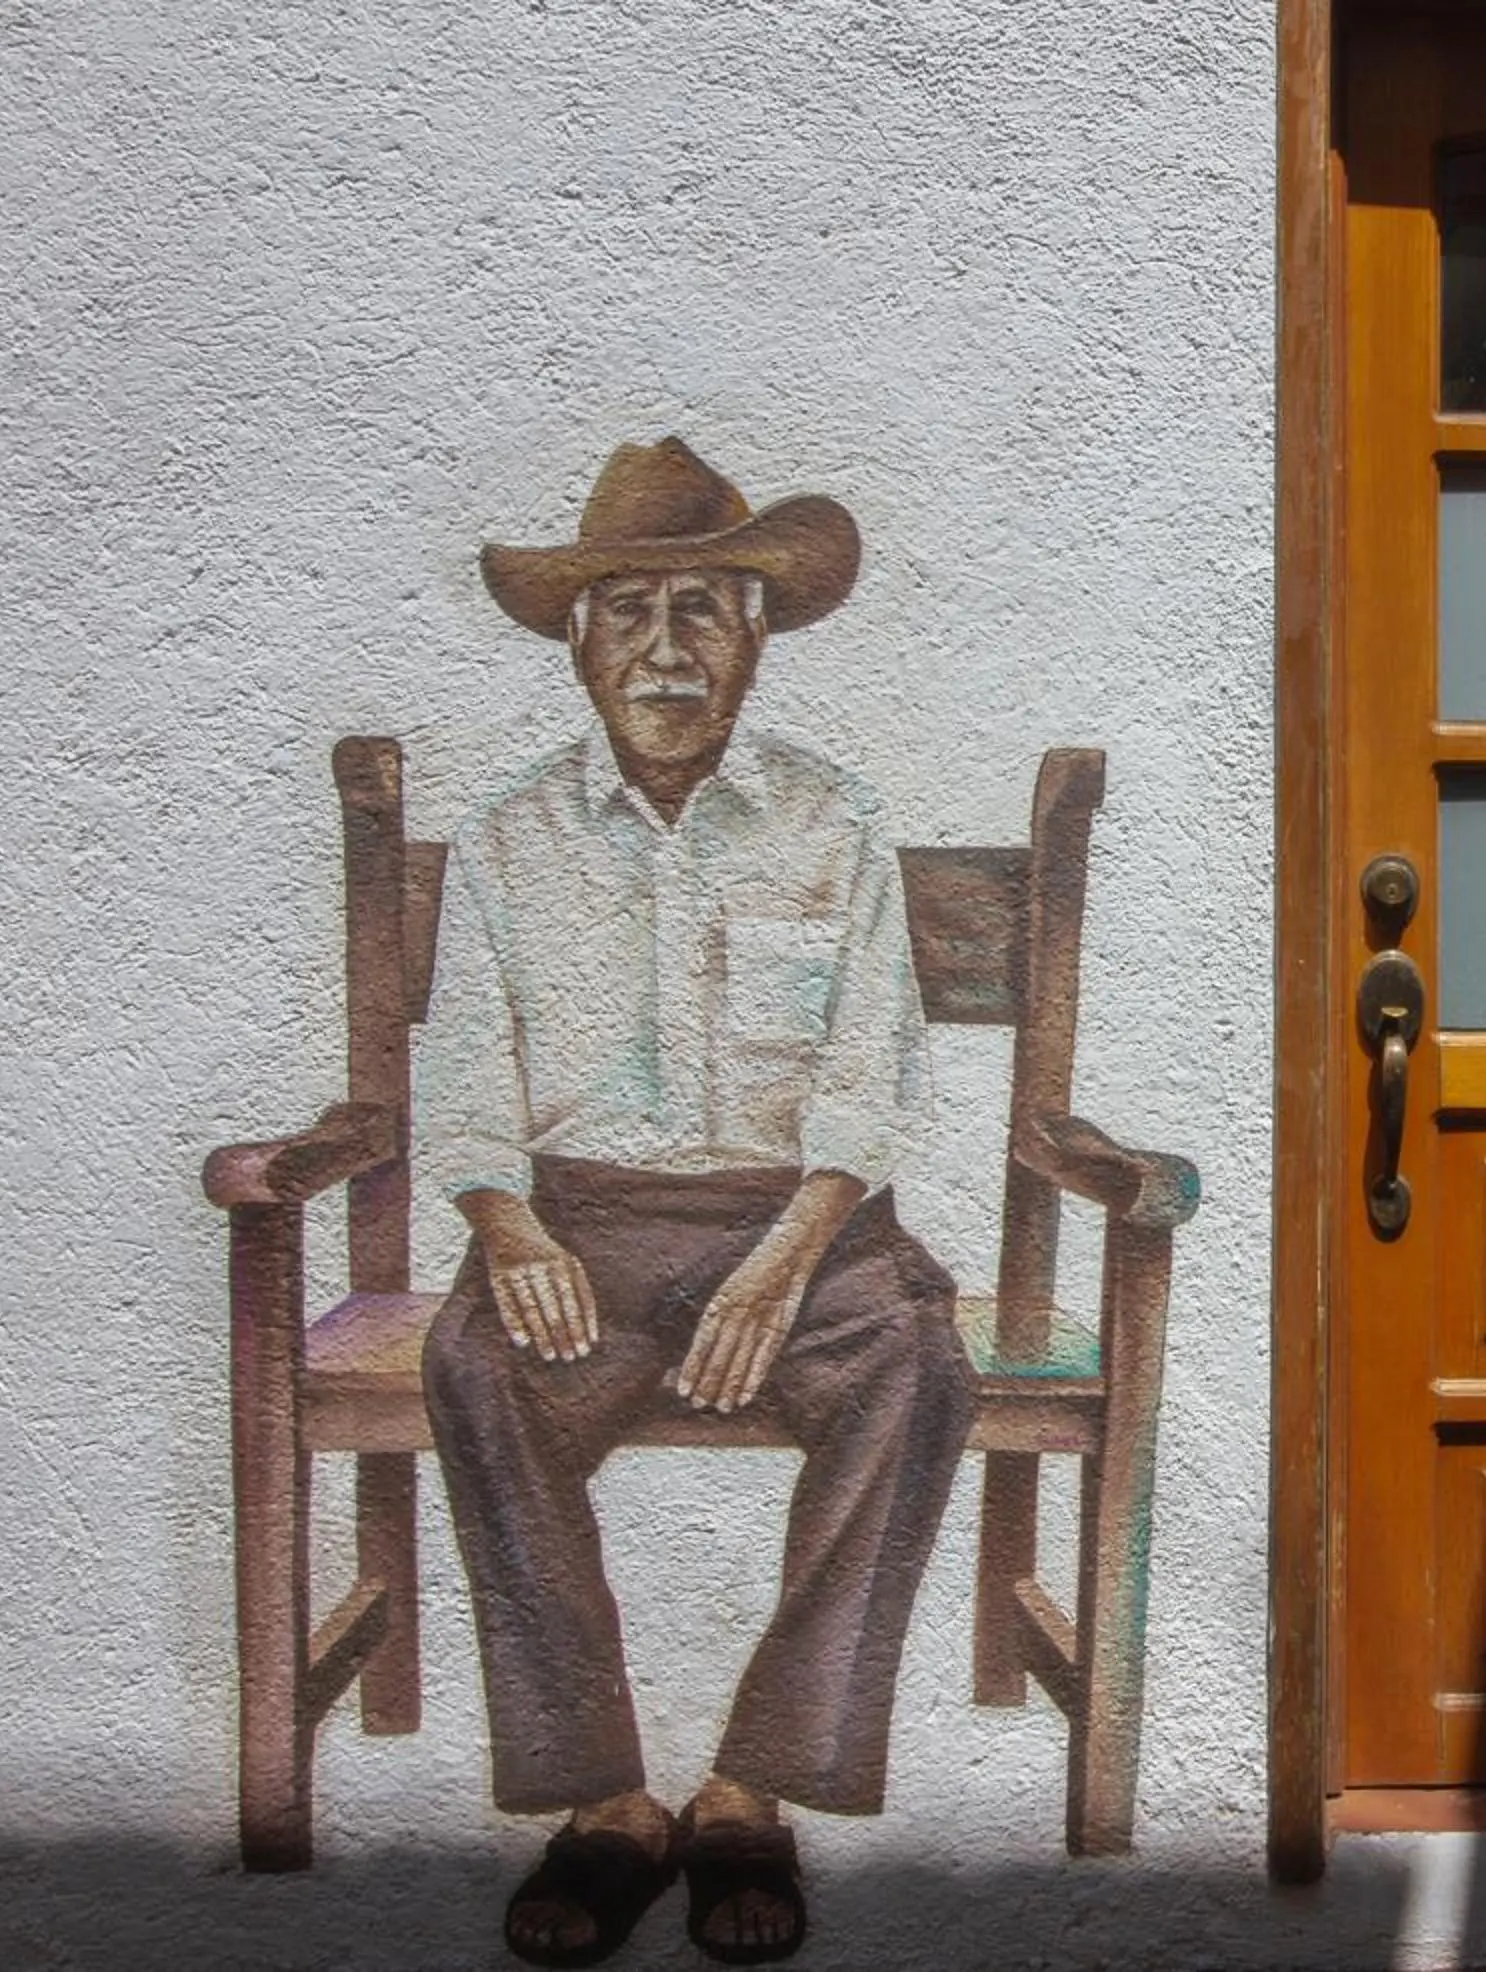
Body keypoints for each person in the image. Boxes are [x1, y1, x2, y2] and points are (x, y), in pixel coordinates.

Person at [419, 436, 973, 1967]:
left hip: (807, 1226)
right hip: (581, 1222)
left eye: (706, 610)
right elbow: (467, 1073)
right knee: (475, 1366)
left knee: (918, 1364)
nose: (667, 649)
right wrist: (510, 1226)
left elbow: (872, 1075)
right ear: (580, 641)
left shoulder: (835, 818)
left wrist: (786, 1260)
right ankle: (606, 1804)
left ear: (759, 636)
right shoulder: (511, 835)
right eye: (629, 611)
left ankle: (750, 1791)